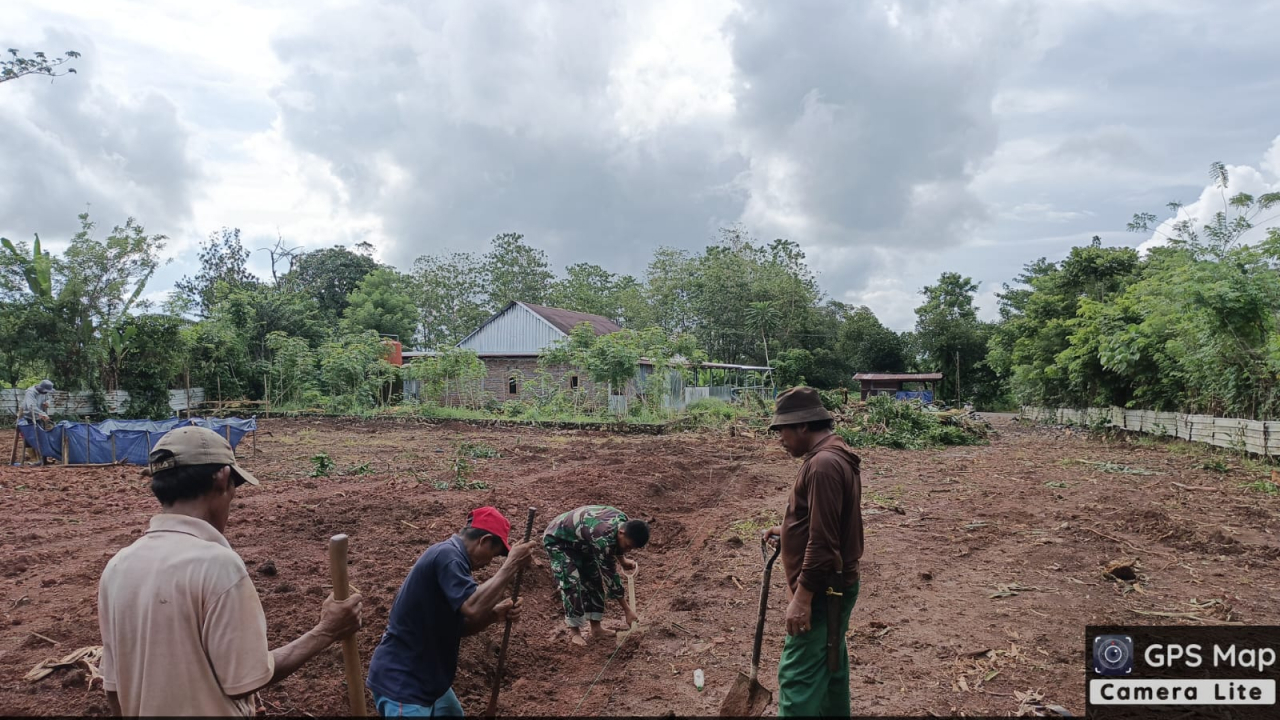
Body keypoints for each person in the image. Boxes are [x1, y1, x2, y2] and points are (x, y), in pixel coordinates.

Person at [97, 426, 363, 717]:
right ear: (223, 478)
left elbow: (113, 690)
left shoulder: (118, 566)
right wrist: (327, 630)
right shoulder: (217, 565)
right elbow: (246, 680)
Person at [366, 507, 538, 717]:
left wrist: (494, 615)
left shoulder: (454, 561)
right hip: (404, 683)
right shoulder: (448, 556)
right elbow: (472, 608)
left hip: (430, 681)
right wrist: (510, 566)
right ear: (483, 541)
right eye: (492, 555)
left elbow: (457, 626)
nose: (489, 563)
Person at [761, 386, 864, 717]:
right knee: (830, 664)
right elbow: (828, 523)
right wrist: (789, 532)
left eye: (783, 431)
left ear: (803, 426)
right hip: (835, 584)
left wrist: (802, 598)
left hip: (822, 591)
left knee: (798, 677)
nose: (780, 439)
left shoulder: (822, 465)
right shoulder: (834, 456)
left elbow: (823, 542)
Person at [543, 505, 649, 645]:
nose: (628, 550)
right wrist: (627, 610)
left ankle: (596, 628)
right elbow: (610, 576)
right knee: (571, 583)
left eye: (632, 548)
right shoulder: (603, 537)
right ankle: (575, 632)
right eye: (628, 546)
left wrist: (622, 560)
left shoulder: (624, 522)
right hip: (559, 540)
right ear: (621, 532)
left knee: (594, 579)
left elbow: (615, 544)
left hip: (583, 541)